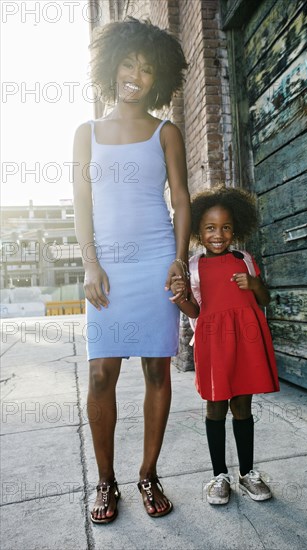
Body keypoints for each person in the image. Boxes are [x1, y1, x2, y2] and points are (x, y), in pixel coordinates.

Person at [72, 17, 190, 523]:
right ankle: (105, 481)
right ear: (110, 66)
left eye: (146, 69)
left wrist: (179, 260)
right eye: (128, 64)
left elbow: (181, 200)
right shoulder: (86, 133)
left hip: (155, 261)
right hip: (108, 270)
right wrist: (90, 263)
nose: (136, 76)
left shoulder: (167, 132)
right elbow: (81, 201)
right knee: (102, 374)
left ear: (158, 77)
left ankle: (148, 474)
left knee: (156, 369)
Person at [170, 185, 279, 505]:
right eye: (210, 228)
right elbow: (197, 312)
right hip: (213, 342)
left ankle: (247, 474)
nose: (219, 234)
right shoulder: (193, 266)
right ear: (198, 232)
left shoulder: (244, 259)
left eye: (226, 227)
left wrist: (255, 283)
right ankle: (219, 476)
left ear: (236, 228)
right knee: (215, 407)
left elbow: (265, 300)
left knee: (242, 407)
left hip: (246, 341)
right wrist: (181, 301)